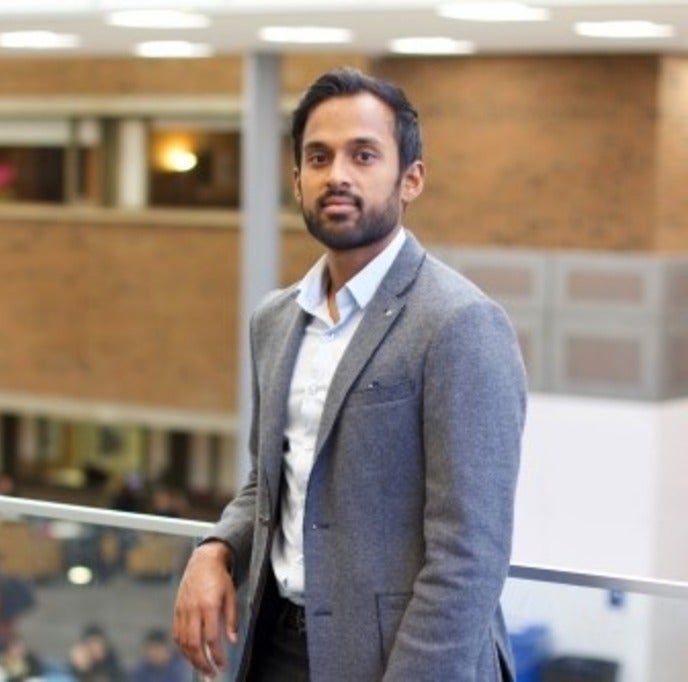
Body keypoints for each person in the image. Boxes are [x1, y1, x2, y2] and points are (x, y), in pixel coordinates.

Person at [171, 66, 526, 682]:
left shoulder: (461, 324)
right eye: (318, 157)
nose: (337, 174)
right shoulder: (275, 319)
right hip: (278, 647)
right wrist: (217, 548)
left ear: (411, 178)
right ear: (297, 180)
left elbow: (470, 553)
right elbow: (269, 483)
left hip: (402, 662)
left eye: (363, 155)